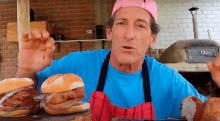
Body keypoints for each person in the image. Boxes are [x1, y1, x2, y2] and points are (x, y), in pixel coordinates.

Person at [16, 0, 220, 120]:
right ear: (110, 32)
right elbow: (26, 98)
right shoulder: (75, 65)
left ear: (152, 38)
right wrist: (25, 69)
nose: (129, 34)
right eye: (122, 23)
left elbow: (208, 115)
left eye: (140, 25)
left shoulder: (169, 80)